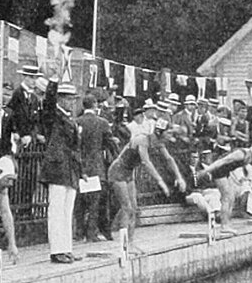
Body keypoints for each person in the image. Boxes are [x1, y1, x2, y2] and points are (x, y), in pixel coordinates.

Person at [106, 115, 174, 242]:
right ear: (160, 132)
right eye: (168, 133)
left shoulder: (158, 142)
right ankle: (124, 244)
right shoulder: (142, 139)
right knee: (127, 208)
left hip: (128, 173)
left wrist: (179, 177)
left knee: (134, 209)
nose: (170, 137)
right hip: (118, 172)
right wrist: (161, 182)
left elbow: (169, 159)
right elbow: (146, 162)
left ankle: (129, 241)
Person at [41, 81, 83, 264]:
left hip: (70, 169)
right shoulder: (53, 115)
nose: (71, 102)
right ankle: (57, 250)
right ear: (59, 99)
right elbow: (48, 104)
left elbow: (75, 148)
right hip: (57, 168)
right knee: (56, 210)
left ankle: (66, 248)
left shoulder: (70, 118)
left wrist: (81, 170)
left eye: (73, 99)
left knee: (67, 210)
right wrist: (53, 81)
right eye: (67, 98)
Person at [196, 139, 252, 234]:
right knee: (227, 198)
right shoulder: (241, 154)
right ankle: (224, 225)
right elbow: (222, 161)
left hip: (225, 172)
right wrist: (206, 171)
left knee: (231, 197)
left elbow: (232, 167)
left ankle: (227, 222)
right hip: (218, 171)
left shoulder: (250, 157)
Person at [75, 94, 117, 242]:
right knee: (95, 202)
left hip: (79, 165)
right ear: (94, 105)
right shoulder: (103, 123)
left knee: (79, 203)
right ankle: (91, 233)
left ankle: (79, 232)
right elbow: (110, 143)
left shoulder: (76, 122)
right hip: (96, 166)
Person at [8, 64, 44, 149]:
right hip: (17, 140)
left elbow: (35, 121)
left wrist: (31, 136)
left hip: (30, 141)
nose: (34, 81)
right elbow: (11, 116)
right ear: (24, 77)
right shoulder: (17, 94)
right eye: (31, 77)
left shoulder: (34, 98)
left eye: (36, 78)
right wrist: (16, 133)